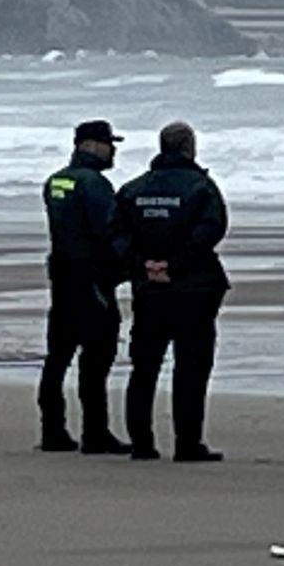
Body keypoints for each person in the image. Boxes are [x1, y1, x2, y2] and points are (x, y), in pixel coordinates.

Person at [116, 122, 230, 462]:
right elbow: (211, 231)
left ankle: (141, 443)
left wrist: (143, 266)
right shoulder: (201, 188)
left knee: (145, 366)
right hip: (193, 288)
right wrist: (174, 266)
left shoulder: (132, 190)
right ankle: (187, 443)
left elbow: (116, 235)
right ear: (188, 147)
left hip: (149, 289)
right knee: (191, 367)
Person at [38, 119, 129, 454]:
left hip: (62, 277)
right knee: (96, 358)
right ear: (91, 145)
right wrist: (131, 265)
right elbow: (110, 231)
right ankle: (95, 432)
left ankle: (52, 430)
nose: (113, 150)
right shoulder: (94, 185)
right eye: (109, 143)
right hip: (92, 279)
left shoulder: (56, 181)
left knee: (58, 356)